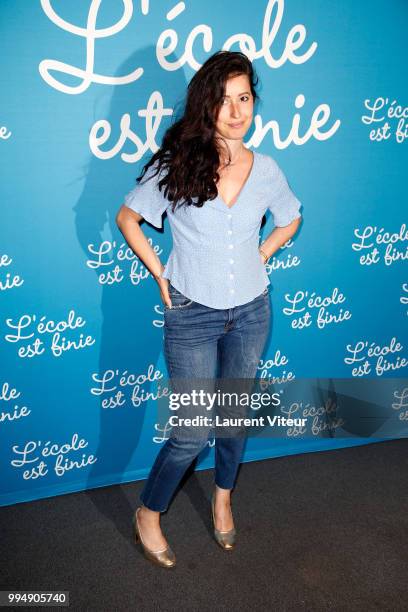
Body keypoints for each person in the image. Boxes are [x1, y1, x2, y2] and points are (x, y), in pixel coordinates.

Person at [116, 50, 302, 568]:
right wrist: (160, 273)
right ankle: (149, 513)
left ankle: (223, 496)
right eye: (224, 100)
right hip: (192, 313)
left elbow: (289, 219)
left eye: (244, 99)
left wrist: (261, 253)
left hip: (251, 311)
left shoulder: (266, 169)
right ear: (206, 106)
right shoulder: (178, 164)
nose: (237, 111)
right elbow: (129, 218)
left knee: (234, 416)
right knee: (192, 430)